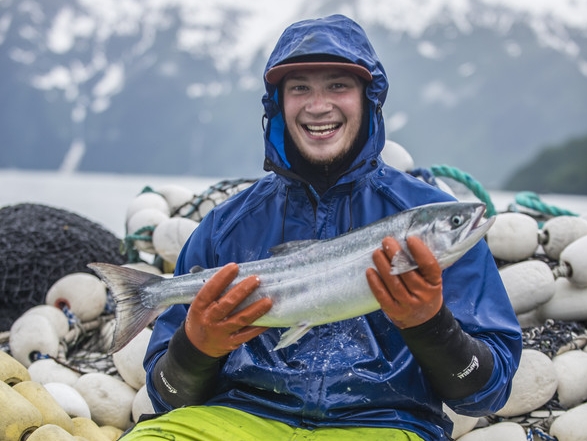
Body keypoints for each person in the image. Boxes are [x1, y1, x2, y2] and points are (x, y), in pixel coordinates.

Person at [120, 14, 522, 441]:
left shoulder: (429, 212)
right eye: (299, 88)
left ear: (369, 98)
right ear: (278, 104)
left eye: (337, 85)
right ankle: (144, 291)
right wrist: (196, 347)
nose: (317, 105)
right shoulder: (224, 228)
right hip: (237, 418)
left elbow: (486, 395)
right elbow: (166, 396)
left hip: (384, 425)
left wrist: (431, 326)